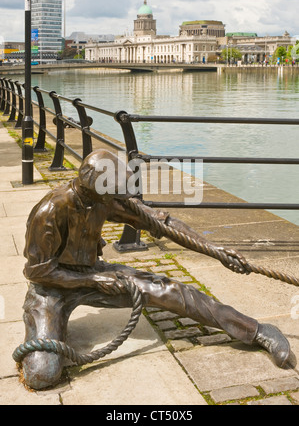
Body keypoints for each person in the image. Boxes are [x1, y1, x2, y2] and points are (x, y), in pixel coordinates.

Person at [20, 149, 293, 390]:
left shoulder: (104, 200)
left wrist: (216, 251)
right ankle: (52, 328)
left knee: (170, 291)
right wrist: (94, 279)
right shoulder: (50, 211)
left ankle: (257, 331)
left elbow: (163, 223)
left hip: (96, 274)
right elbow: (37, 272)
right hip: (52, 288)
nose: (119, 199)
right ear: (94, 187)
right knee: (42, 375)